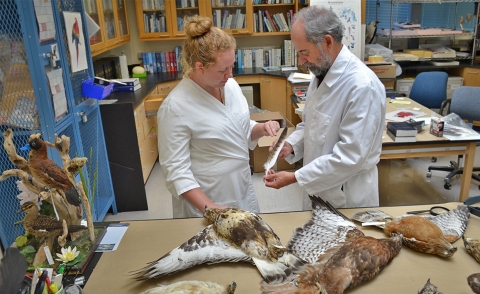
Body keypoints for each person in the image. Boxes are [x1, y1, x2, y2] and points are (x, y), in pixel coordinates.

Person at [157, 15, 280, 218]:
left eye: (231, 66)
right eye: (223, 69)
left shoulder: (229, 86)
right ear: (199, 67)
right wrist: (210, 207)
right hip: (207, 199)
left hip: (239, 188)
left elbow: (238, 127)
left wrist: (261, 128)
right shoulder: (175, 107)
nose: (230, 75)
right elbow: (176, 172)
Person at [263, 6, 386, 209]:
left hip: (346, 195)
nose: (302, 61)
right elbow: (310, 123)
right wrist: (291, 144)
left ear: (327, 42)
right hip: (319, 188)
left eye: (304, 52)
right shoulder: (321, 73)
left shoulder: (362, 86)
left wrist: (296, 176)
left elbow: (349, 158)